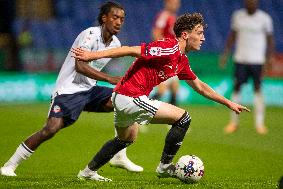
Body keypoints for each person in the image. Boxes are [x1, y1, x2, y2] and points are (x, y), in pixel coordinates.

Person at [71, 12, 250, 182]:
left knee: (126, 138)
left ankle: (87, 172)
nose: (203, 38)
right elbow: (129, 50)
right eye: (200, 33)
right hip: (130, 96)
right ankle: (164, 167)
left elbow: (200, 87)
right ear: (186, 35)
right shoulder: (168, 48)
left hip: (121, 96)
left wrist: (227, 102)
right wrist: (91, 55)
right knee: (183, 118)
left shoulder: (181, 60)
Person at [0, 1, 143, 179]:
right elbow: (80, 66)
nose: (119, 22)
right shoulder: (89, 35)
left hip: (90, 90)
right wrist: (109, 79)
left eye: (122, 19)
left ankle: (119, 155)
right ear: (104, 18)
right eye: (115, 17)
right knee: (51, 129)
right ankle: (10, 165)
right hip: (69, 90)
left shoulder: (116, 43)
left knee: (125, 98)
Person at [220, 0, 275, 135]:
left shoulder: (265, 18)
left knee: (258, 89)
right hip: (241, 59)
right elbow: (232, 36)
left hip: (257, 60)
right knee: (237, 88)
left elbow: (270, 40)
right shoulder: (238, 16)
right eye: (248, 1)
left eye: (253, 1)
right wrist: (226, 54)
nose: (251, 3)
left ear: (257, 3)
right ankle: (233, 123)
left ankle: (259, 124)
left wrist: (269, 58)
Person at [151, 0, 181, 105]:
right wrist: (165, 50)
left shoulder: (174, 18)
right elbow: (156, 33)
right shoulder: (164, 16)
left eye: (177, 3)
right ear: (167, 3)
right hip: (164, 56)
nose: (175, 5)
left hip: (172, 57)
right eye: (173, 3)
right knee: (162, 90)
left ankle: (174, 115)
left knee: (175, 88)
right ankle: (143, 106)